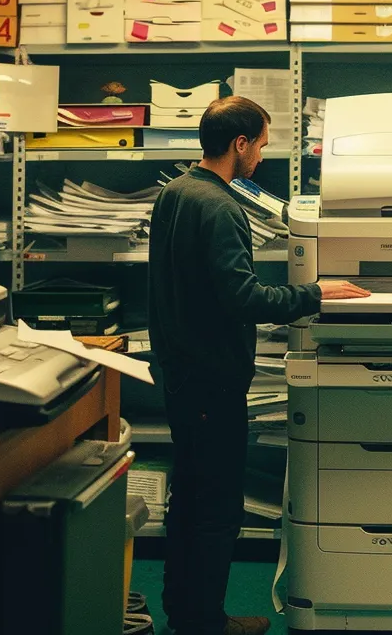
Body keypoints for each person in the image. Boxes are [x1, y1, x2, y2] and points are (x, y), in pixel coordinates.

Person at [148, 96, 368, 635]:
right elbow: (243, 298)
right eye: (262, 144)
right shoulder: (221, 207)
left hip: (179, 373)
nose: (263, 156)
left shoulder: (175, 192)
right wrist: (315, 293)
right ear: (239, 143)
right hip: (211, 380)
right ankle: (205, 622)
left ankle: (185, 613)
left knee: (190, 498)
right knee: (217, 508)